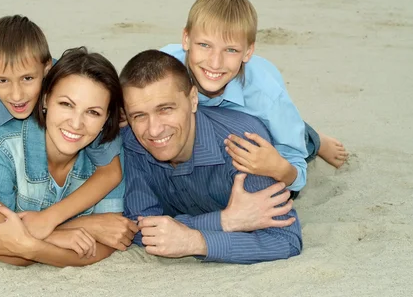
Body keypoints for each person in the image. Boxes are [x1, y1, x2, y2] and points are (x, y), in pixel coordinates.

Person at [0, 16, 123, 240]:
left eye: (28, 78)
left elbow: (110, 171)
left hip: (16, 147)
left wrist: (50, 219)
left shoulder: (72, 86)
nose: (17, 95)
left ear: (47, 68)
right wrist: (35, 235)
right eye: (2, 80)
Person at [161, 0, 348, 198]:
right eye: (204, 45)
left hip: (265, 117)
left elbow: (296, 173)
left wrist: (278, 168)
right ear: (186, 39)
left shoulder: (267, 96)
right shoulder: (164, 66)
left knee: (289, 134)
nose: (215, 62)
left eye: (231, 50)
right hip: (202, 115)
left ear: (248, 52)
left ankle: (315, 139)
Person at [120, 50, 302, 264]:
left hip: (269, 131)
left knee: (304, 138)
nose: (153, 130)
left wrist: (197, 242)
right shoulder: (130, 144)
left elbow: (287, 240)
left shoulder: (244, 147)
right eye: (139, 116)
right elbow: (140, 228)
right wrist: (225, 221)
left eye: (165, 109)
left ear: (193, 99)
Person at [0, 47, 138, 267]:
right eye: (66, 104)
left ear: (107, 118)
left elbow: (110, 240)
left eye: (93, 112)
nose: (76, 123)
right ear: (45, 99)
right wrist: (83, 227)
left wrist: (32, 247)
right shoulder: (4, 145)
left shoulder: (107, 150)